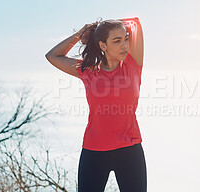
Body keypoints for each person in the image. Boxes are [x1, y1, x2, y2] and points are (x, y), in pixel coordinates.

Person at [45, 17, 146, 192]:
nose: (124, 45)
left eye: (126, 39)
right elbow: (52, 56)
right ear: (103, 45)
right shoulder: (88, 71)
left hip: (130, 151)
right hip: (94, 152)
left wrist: (97, 29)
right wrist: (80, 34)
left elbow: (135, 23)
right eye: (117, 40)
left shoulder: (132, 63)